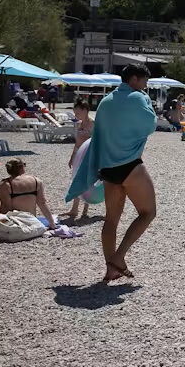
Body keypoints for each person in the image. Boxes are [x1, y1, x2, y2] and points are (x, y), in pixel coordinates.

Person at [67, 63, 157, 282]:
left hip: (107, 168)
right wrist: (147, 101)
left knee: (111, 220)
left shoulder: (105, 102)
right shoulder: (137, 98)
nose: (145, 86)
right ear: (134, 79)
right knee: (148, 212)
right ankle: (118, 257)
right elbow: (150, 125)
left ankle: (111, 270)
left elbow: (99, 134)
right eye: (144, 81)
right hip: (130, 165)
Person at [0, 159, 57, 233]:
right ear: (22, 168)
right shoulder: (36, 181)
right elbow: (42, 203)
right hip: (31, 221)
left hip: (15, 223)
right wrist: (52, 223)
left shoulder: (6, 184)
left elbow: (5, 207)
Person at [60, 99, 94, 220]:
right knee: (76, 180)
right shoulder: (79, 124)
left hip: (88, 156)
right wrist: (72, 157)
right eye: (75, 113)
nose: (76, 115)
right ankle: (74, 209)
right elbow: (77, 143)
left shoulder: (93, 124)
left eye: (78, 112)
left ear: (85, 110)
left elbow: (96, 141)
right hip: (79, 154)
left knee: (87, 181)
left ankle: (85, 209)